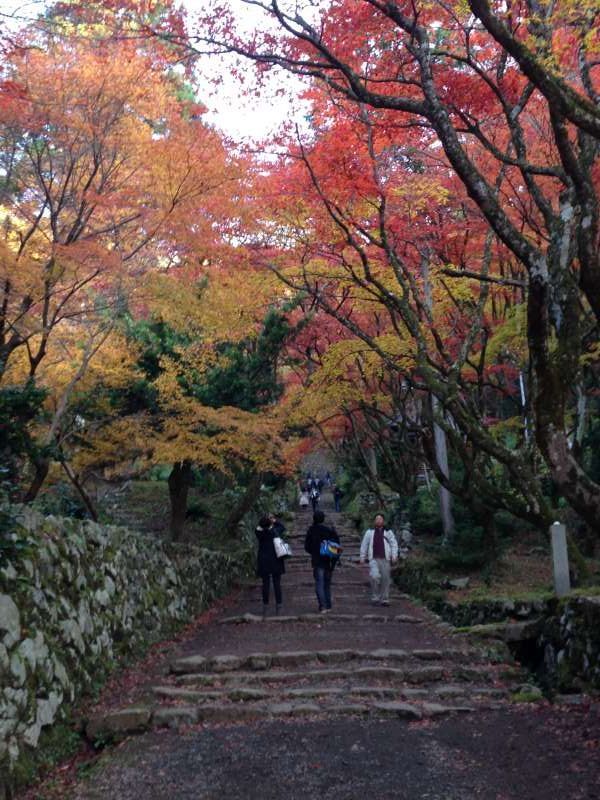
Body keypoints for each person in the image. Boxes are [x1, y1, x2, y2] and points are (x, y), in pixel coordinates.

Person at [304, 510, 341, 613]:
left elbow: (306, 547)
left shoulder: (311, 530)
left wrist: (314, 552)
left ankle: (323, 606)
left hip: (317, 560)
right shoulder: (328, 530)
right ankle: (328, 605)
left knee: (319, 583)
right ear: (323, 518)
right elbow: (337, 545)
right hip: (328, 560)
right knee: (327, 584)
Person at [360, 514, 399, 606]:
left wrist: (394, 555)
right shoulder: (369, 532)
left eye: (380, 519)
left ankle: (384, 599)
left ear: (383, 521)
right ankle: (375, 597)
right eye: (376, 519)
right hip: (374, 558)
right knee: (374, 576)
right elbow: (364, 545)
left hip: (385, 558)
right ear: (374, 521)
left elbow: (394, 544)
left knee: (385, 579)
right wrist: (362, 557)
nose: (378, 520)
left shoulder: (388, 532)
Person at [255, 515, 285, 618]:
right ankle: (279, 606)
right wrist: (274, 521)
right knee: (277, 583)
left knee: (265, 584)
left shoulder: (259, 533)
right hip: (276, 560)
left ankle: (265, 607)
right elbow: (282, 526)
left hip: (263, 560)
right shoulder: (275, 532)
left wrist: (265, 522)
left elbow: (258, 527)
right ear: (270, 524)